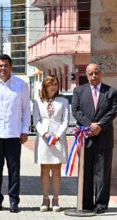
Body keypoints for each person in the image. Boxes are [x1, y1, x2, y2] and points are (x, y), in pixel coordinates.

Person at [0, 54, 31, 213]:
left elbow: (26, 109)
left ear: (11, 66)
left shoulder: (21, 85)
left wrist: (25, 130)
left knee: (14, 169)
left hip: (14, 134)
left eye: (6, 65)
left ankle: (14, 201)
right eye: (0, 66)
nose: (3, 68)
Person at [72, 63, 117, 214]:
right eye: (91, 73)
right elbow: (76, 110)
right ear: (86, 75)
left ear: (101, 74)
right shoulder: (79, 91)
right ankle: (86, 203)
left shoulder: (111, 91)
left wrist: (100, 126)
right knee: (86, 172)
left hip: (104, 137)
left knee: (102, 173)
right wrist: (89, 125)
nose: (94, 76)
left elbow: (113, 110)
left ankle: (101, 204)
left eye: (96, 73)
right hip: (86, 138)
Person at [32, 75, 69, 212]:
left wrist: (58, 135)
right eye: (50, 84)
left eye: (55, 84)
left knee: (57, 170)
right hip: (43, 139)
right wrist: (45, 135)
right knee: (44, 170)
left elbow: (65, 121)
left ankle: (56, 199)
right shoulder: (37, 101)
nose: (53, 87)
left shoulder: (63, 101)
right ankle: (45, 198)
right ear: (45, 87)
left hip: (58, 138)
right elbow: (36, 120)